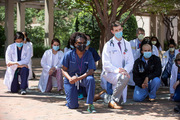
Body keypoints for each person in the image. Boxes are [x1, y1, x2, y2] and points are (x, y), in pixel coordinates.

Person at [95, 21, 134, 109]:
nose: (118, 32)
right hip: (110, 73)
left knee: (121, 100)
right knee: (124, 78)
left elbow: (130, 61)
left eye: (120, 29)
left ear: (122, 29)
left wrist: (125, 70)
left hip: (123, 73)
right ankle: (113, 101)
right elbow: (106, 64)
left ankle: (103, 96)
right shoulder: (108, 45)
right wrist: (118, 70)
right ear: (112, 32)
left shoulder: (127, 44)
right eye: (116, 30)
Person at [61, 32, 96, 113]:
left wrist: (78, 78)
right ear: (74, 44)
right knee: (73, 106)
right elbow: (63, 69)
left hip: (83, 78)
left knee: (90, 79)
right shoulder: (68, 55)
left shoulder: (89, 54)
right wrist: (70, 78)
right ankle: (70, 100)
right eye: (79, 43)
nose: (82, 45)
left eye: (84, 43)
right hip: (71, 80)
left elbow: (91, 70)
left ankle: (90, 104)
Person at [77, 34, 101, 100]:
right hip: (80, 72)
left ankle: (90, 97)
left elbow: (95, 61)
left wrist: (92, 69)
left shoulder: (92, 51)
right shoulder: (79, 50)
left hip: (89, 72)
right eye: (85, 39)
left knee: (89, 84)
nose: (87, 41)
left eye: (88, 39)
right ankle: (79, 93)